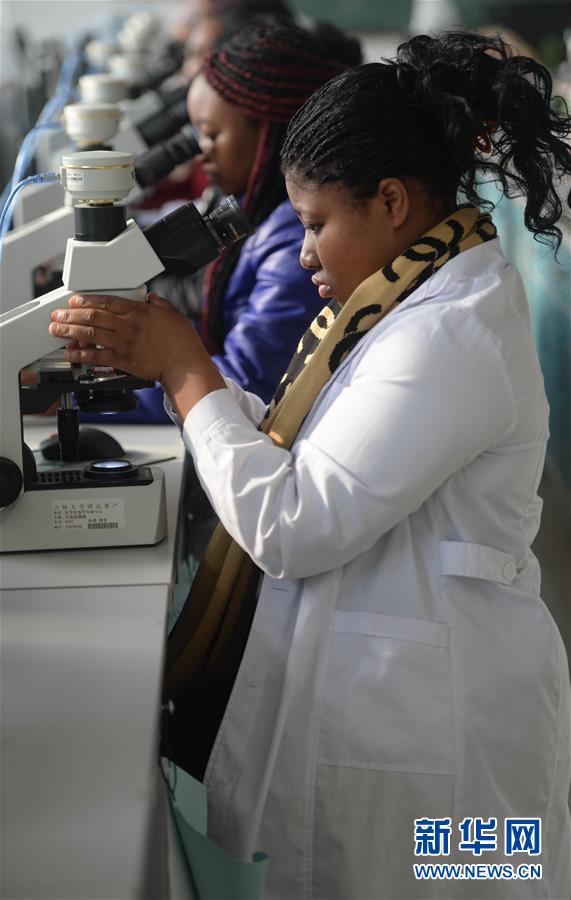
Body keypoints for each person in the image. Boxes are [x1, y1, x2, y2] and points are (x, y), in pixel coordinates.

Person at [49, 31, 571, 900]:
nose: (301, 253)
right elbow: (314, 447)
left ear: (392, 202)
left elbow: (294, 521)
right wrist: (189, 383)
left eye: (315, 224)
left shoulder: (451, 329)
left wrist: (186, 371)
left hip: (443, 736)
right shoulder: (403, 299)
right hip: (388, 708)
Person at [82, 17, 360, 424]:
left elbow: (248, 378)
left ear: (265, 133)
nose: (201, 152)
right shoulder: (254, 209)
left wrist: (89, 395)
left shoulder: (296, 242)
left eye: (212, 135)